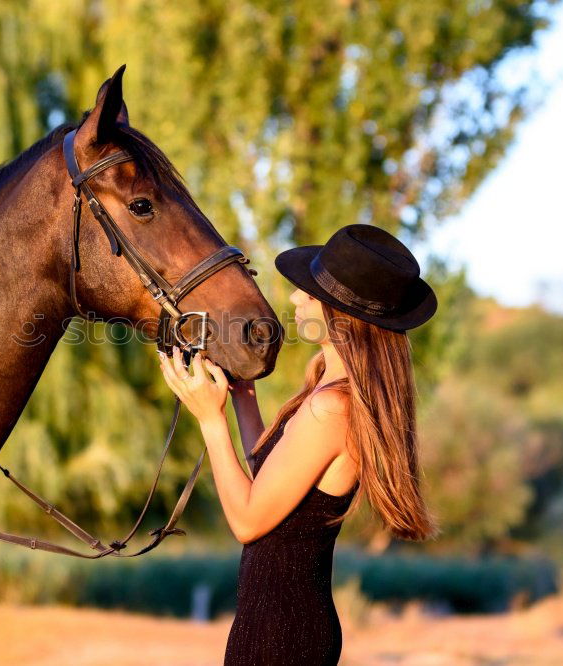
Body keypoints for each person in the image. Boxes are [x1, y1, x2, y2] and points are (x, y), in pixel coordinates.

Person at [157, 223, 441, 665]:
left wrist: (210, 421)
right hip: (283, 624)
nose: (293, 299)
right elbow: (270, 487)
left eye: (307, 295)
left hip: (282, 634)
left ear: (337, 312)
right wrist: (241, 397)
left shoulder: (331, 408)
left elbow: (249, 521)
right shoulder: (333, 392)